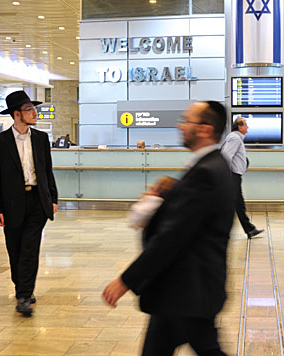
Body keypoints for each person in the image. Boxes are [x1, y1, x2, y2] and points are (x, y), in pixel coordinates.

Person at [102, 101, 234, 356]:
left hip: (187, 290)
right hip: (182, 289)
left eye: (187, 121)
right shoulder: (211, 166)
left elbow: (172, 237)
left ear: (205, 129)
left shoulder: (206, 172)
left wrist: (126, 280)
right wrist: (171, 194)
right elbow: (190, 217)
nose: (180, 126)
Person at [0, 91, 58, 317]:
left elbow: (47, 171)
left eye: (33, 109)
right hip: (11, 204)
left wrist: (53, 199)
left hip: (37, 200)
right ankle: (22, 286)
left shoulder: (41, 138)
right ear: (17, 114)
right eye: (29, 110)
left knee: (30, 248)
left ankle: (24, 295)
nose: (34, 113)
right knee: (15, 249)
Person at [221, 117, 264, 239]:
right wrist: (228, 173)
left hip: (234, 175)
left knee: (238, 203)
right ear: (240, 127)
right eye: (246, 125)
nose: (248, 127)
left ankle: (249, 229)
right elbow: (226, 155)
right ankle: (222, 230)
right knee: (232, 203)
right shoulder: (235, 138)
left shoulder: (236, 137)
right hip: (232, 175)